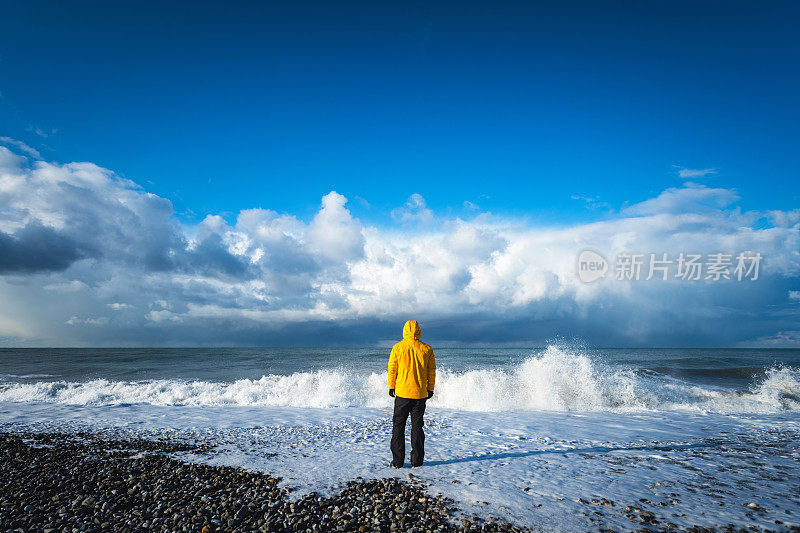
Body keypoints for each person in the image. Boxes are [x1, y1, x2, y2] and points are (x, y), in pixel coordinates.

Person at [388, 320, 436, 468]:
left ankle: (397, 462)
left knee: (398, 426)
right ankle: (417, 462)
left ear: (404, 331)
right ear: (418, 331)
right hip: (420, 394)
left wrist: (391, 386)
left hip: (402, 393)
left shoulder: (397, 347)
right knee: (417, 427)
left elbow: (392, 369)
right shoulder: (426, 349)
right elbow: (431, 371)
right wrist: (430, 388)